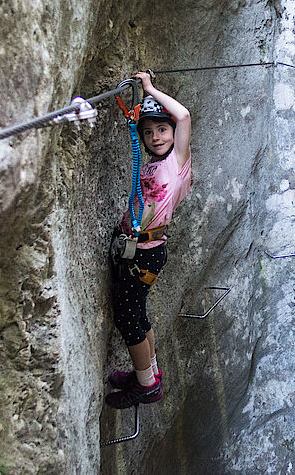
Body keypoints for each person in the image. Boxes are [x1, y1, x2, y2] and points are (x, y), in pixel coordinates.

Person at [105, 72, 192, 409]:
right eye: (149, 132)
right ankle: (149, 374)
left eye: (162, 130)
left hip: (147, 253)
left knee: (128, 319)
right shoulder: (150, 164)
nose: (156, 137)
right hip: (135, 249)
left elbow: (183, 115)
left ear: (173, 134)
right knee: (136, 314)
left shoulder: (177, 164)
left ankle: (146, 386)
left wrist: (151, 89)